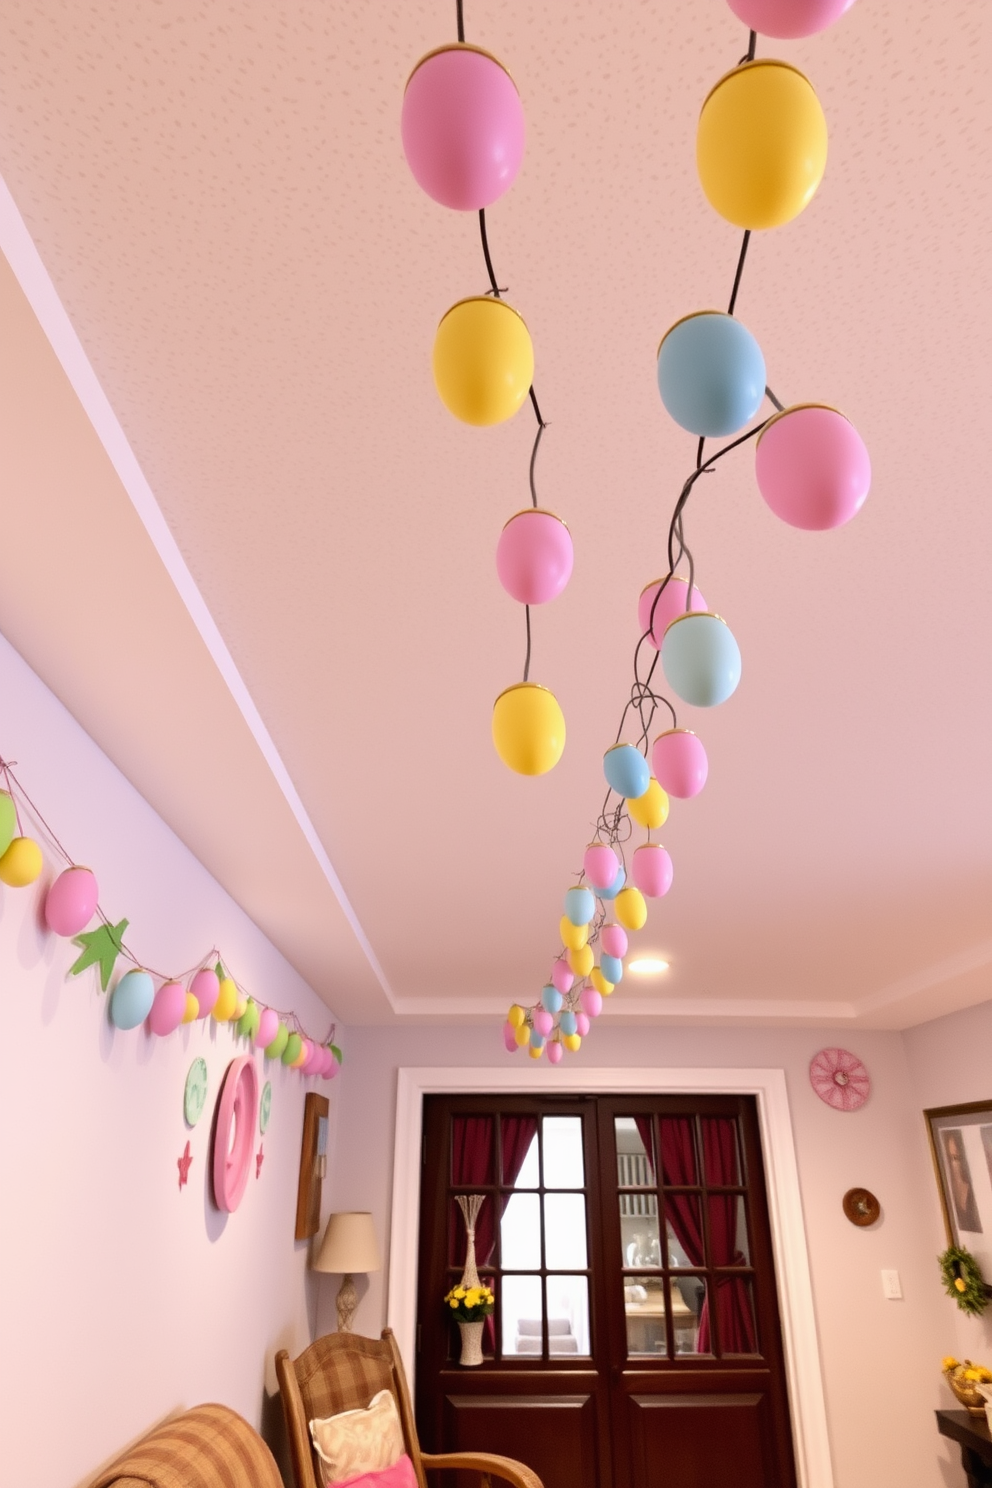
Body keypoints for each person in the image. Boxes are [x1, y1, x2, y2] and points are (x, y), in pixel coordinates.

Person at [942, 1128, 983, 1234]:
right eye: (950, 1158)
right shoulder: (946, 1189)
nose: (954, 1164)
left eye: (957, 1157)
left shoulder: (975, 1188)